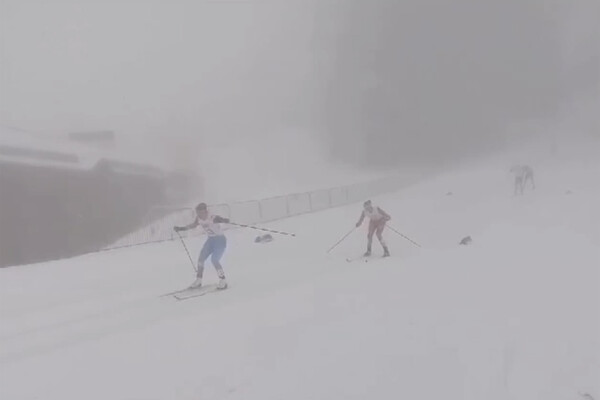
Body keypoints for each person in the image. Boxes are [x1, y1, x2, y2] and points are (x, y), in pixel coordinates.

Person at [174, 203, 230, 289]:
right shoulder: (199, 218)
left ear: (205, 211)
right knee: (201, 259)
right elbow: (193, 225)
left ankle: (223, 280)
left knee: (214, 260)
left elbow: (220, 219)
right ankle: (199, 280)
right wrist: (181, 228)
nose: (199, 214)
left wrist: (224, 220)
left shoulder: (212, 217)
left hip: (220, 240)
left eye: (200, 212)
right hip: (211, 240)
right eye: (197, 212)